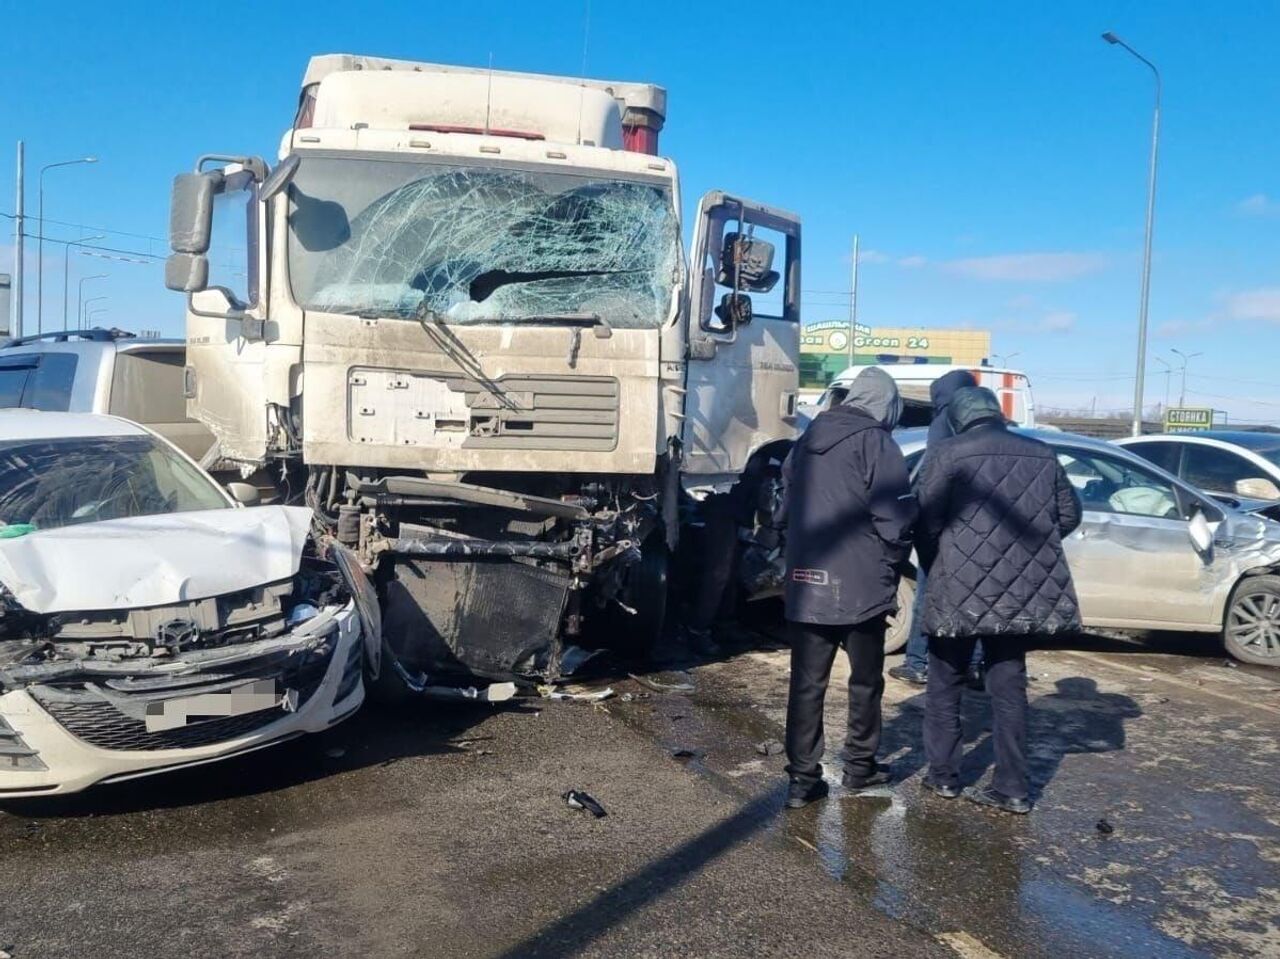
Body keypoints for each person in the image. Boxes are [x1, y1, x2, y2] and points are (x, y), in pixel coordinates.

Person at [914, 386, 1081, 814]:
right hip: (1018, 594)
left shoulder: (948, 454)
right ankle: (1013, 788)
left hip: (956, 588)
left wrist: (942, 557)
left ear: (959, 417)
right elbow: (1068, 515)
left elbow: (926, 519)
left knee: (945, 681)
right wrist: (1026, 553)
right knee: (1009, 687)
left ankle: (944, 777)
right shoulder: (1042, 452)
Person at [775, 367, 917, 809]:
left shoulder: (805, 443)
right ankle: (860, 768)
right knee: (865, 682)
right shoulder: (876, 442)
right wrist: (893, 565)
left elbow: (781, 511)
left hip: (805, 581)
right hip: (861, 586)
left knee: (806, 684)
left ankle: (802, 780)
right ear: (884, 405)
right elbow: (894, 519)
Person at [889, 369, 979, 688]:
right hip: (977, 532)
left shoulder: (942, 424)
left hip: (942, 529)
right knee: (975, 599)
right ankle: (975, 664)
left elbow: (932, 478)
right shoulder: (979, 425)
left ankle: (917, 662)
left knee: (927, 595)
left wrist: (924, 530)